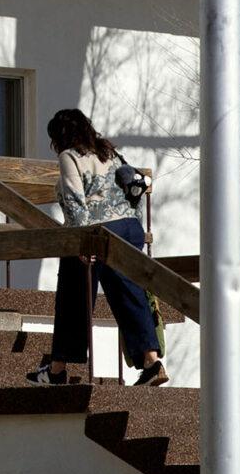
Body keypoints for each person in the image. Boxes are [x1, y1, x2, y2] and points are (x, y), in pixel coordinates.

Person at [26, 108, 168, 388]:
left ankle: (56, 370)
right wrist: (134, 229)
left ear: (60, 136)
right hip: (129, 228)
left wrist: (83, 239)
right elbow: (135, 189)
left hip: (97, 231)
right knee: (130, 294)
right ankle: (152, 362)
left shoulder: (70, 157)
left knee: (73, 295)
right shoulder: (109, 153)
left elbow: (76, 202)